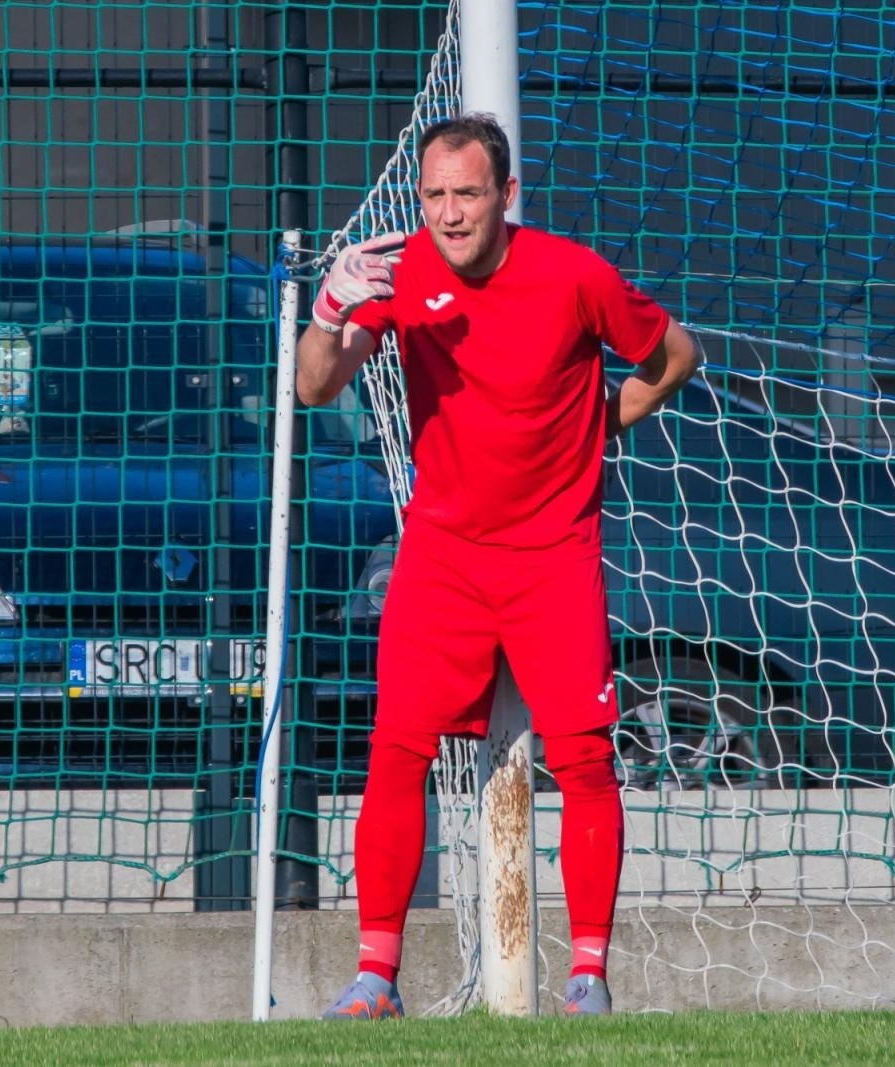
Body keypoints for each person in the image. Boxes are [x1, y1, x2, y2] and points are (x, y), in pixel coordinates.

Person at [296, 113, 700, 1019]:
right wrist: (328, 310)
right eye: (434, 195)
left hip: (554, 555)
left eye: (467, 193)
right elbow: (316, 385)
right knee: (395, 750)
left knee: (586, 758)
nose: (448, 212)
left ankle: (588, 980)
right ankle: (375, 981)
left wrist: (602, 424)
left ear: (506, 195)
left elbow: (677, 354)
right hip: (442, 558)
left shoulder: (574, 275)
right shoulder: (399, 273)